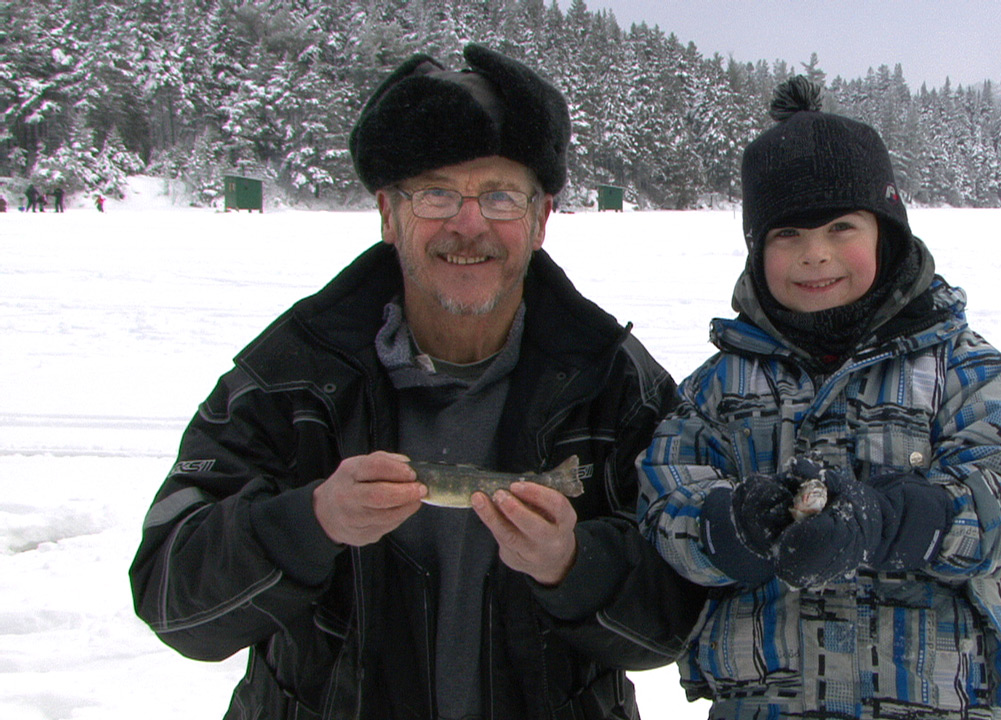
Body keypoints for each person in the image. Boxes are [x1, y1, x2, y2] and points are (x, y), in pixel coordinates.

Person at [130, 44, 704, 720]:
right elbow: (172, 599)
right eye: (436, 192)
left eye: (500, 195)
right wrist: (308, 523)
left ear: (540, 219)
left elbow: (678, 613)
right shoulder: (290, 374)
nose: (468, 223)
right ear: (387, 213)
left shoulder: (616, 382)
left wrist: (574, 565)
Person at [637, 77, 1001, 719]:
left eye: (840, 227)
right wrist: (732, 527)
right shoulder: (717, 388)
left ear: (886, 232)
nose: (815, 255)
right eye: (787, 235)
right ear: (757, 248)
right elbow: (665, 503)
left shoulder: (961, 368)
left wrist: (889, 522)